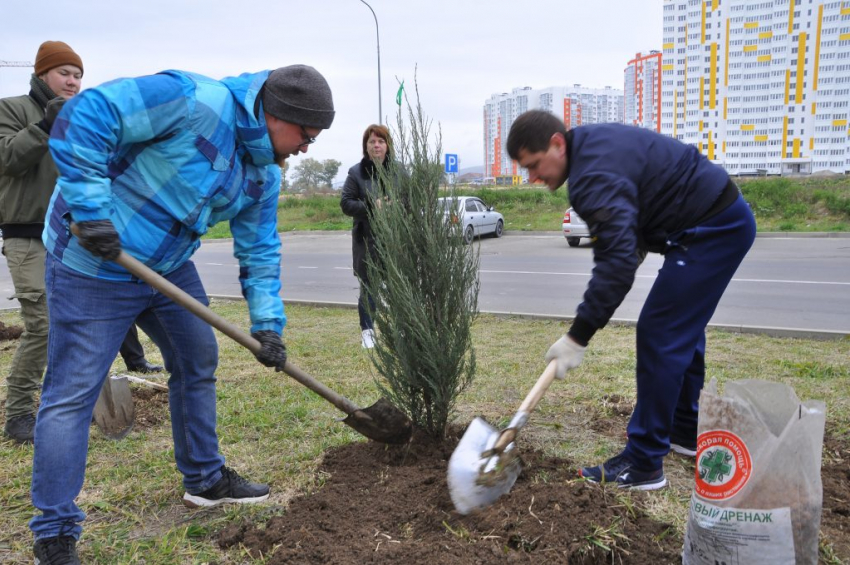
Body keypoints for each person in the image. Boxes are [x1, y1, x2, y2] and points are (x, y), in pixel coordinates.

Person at [29, 63, 334, 563]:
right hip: (94, 261)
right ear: (276, 113)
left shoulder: (262, 174)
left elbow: (259, 251)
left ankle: (205, 480)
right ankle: (55, 532)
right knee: (72, 393)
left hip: (167, 266)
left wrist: (268, 326)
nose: (308, 146)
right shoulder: (195, 101)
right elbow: (88, 113)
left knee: (197, 359)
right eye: (306, 134)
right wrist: (90, 209)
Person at [507, 110, 756, 490]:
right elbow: (632, 215)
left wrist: (578, 336)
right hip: (717, 218)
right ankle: (684, 430)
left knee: (661, 332)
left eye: (535, 165)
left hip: (712, 228)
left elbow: (617, 264)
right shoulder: (591, 148)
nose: (534, 178)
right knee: (680, 329)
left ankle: (643, 463)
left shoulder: (590, 177)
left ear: (558, 143)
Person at [0, 41, 162, 445]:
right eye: (63, 73)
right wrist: (44, 127)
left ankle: (81, 401)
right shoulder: (12, 108)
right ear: (41, 75)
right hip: (29, 234)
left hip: (78, 236)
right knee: (44, 326)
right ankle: (19, 414)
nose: (72, 82)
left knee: (90, 321)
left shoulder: (84, 115)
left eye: (78, 75)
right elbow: (7, 159)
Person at [340, 124, 398, 349]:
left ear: (387, 145)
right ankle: (368, 331)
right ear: (366, 146)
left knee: (398, 287)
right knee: (369, 289)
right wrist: (372, 206)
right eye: (372, 141)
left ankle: (400, 328)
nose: (377, 145)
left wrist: (399, 207)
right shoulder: (356, 173)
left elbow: (411, 201)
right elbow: (346, 203)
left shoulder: (399, 171)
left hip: (396, 242)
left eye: (381, 141)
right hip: (367, 241)